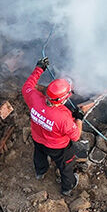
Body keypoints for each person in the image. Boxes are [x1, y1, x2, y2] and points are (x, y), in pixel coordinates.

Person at [22, 57, 83, 194]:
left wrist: (39, 69)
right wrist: (79, 119)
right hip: (58, 148)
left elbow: (27, 86)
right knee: (65, 165)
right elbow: (76, 136)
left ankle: (40, 172)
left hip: (38, 138)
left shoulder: (34, 98)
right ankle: (68, 187)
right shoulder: (63, 117)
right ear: (63, 99)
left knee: (39, 155)